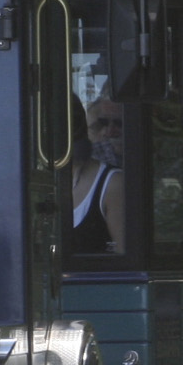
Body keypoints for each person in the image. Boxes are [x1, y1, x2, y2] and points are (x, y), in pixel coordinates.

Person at [69, 97, 125, 254]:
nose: (109, 132)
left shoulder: (112, 184)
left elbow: (127, 262)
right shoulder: (29, 184)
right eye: (100, 124)